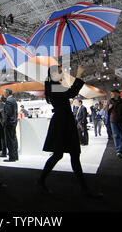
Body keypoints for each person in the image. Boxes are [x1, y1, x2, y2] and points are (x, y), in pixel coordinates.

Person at [37, 64, 103, 198]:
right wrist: (78, 74)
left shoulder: (53, 86)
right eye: (60, 71)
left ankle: (42, 181)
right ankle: (42, 180)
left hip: (64, 122)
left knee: (67, 155)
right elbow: (71, 93)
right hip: (62, 123)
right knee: (64, 154)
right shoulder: (53, 86)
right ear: (54, 74)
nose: (62, 73)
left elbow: (69, 93)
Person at [105, 90, 122, 158]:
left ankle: (121, 149)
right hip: (113, 120)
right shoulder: (109, 101)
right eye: (111, 94)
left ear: (118, 94)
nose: (111, 95)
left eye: (113, 94)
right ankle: (118, 150)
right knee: (116, 135)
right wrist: (109, 108)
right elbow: (106, 111)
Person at [2, 88, 19, 162]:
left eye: (4, 92)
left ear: (8, 93)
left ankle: (11, 157)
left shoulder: (8, 101)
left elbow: (7, 113)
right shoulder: (13, 100)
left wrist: (4, 122)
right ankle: (15, 156)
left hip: (9, 123)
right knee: (14, 139)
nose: (3, 94)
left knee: (9, 140)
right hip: (13, 122)